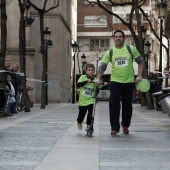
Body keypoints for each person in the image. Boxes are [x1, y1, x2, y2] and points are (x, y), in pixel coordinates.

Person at [95, 30, 144, 135]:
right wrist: (98, 78)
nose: (118, 38)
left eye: (120, 36)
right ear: (114, 38)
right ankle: (114, 128)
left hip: (129, 82)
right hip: (115, 82)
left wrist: (139, 75)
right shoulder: (110, 52)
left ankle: (125, 125)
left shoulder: (130, 49)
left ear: (123, 38)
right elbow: (102, 67)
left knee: (127, 105)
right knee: (114, 105)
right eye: (116, 37)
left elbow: (141, 61)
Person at [77, 63, 108, 131]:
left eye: (92, 70)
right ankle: (79, 122)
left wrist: (105, 85)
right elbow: (79, 84)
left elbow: (101, 87)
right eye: (89, 70)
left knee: (91, 113)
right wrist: (86, 81)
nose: (91, 71)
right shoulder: (83, 77)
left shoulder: (96, 79)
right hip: (82, 100)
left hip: (91, 100)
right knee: (81, 114)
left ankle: (88, 125)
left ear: (94, 71)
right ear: (86, 71)